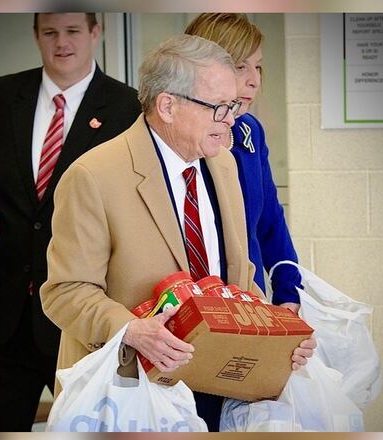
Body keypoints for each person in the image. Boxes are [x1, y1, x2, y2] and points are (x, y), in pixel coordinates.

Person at [40, 34, 316, 432]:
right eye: (220, 108)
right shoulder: (93, 176)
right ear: (167, 106)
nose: (232, 120)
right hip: (132, 392)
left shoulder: (224, 165)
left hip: (218, 385)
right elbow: (65, 292)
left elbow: (239, 281)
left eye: (234, 106)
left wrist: (277, 338)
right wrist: (132, 330)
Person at [0, 13, 141, 431]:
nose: (62, 43)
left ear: (96, 32)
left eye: (73, 31)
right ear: (36, 35)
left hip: (81, 320)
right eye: (50, 32)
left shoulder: (126, 107)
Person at [185, 13, 303, 312]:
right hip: (189, 304)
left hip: (250, 303)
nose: (254, 80)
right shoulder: (180, 136)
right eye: (240, 66)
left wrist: (289, 291)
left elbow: (270, 221)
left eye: (258, 67)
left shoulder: (250, 130)